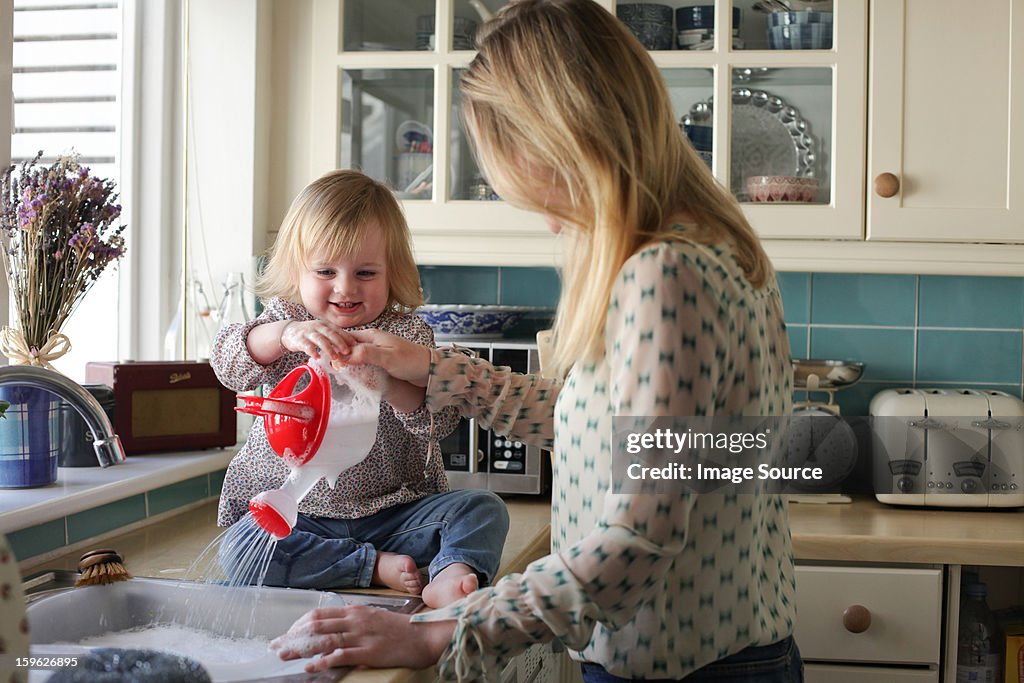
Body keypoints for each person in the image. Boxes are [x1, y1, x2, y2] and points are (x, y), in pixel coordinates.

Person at [270, 0, 801, 680]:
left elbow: (635, 539)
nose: (537, 213)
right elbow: (610, 432)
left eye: (526, 181)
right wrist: (434, 371)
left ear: (564, 140)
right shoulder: (709, 245)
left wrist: (439, 632)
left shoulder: (665, 273)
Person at [211, 169, 509, 609]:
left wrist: (388, 383)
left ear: (394, 272)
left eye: (366, 272)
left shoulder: (404, 334)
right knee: (239, 551)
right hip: (299, 515)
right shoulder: (285, 322)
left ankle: (451, 573)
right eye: (326, 270)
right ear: (298, 271)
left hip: (393, 513)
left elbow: (436, 422)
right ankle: (371, 567)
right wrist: (283, 334)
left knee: (483, 510)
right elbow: (226, 362)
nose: (346, 287)